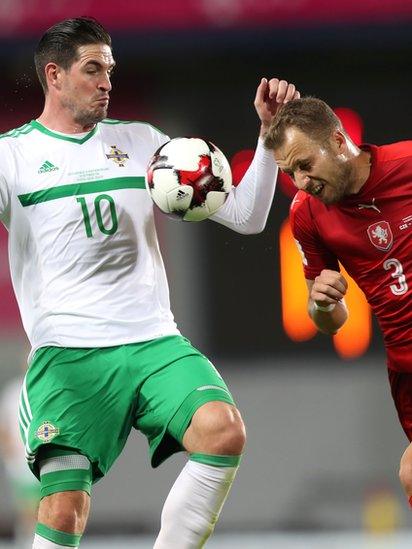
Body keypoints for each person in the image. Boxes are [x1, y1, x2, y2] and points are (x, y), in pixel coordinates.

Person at [0, 16, 299, 549]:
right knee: (63, 510)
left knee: (222, 429)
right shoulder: (12, 156)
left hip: (153, 341)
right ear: (54, 75)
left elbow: (249, 217)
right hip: (68, 354)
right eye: (92, 69)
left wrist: (268, 136)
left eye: (110, 71)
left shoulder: (144, 143)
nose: (106, 82)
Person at [264, 97, 412, 508]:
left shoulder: (407, 163)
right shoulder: (307, 216)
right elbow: (330, 322)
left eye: (305, 164)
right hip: (404, 367)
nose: (301, 180)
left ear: (337, 139)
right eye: (290, 172)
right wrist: (323, 304)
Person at [0, 373, 40, 549]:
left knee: (49, 507)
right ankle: (26, 542)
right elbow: (4, 428)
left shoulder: (46, 386)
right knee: (28, 509)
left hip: (45, 457)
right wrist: (10, 456)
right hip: (21, 461)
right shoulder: (13, 392)